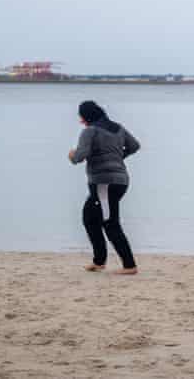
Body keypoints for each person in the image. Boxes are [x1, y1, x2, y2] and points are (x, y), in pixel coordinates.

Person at [69, 100, 140, 275]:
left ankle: (129, 265)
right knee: (90, 218)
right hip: (119, 181)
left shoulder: (90, 131)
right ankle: (99, 261)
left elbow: (80, 156)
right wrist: (118, 157)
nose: (80, 121)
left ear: (87, 117)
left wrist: (72, 155)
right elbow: (135, 146)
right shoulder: (118, 128)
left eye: (81, 117)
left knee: (110, 223)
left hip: (104, 184)